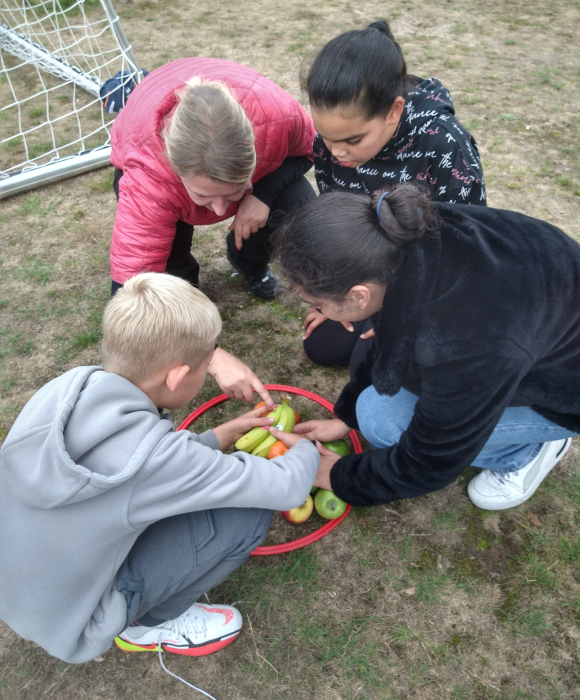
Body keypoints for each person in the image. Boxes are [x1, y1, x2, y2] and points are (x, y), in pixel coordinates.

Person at [0, 273, 319, 664]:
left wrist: (219, 435)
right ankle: (145, 626)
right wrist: (307, 452)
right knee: (247, 516)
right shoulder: (154, 458)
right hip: (77, 622)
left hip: (21, 588)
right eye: (206, 366)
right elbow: (285, 488)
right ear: (178, 377)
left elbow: (145, 472)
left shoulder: (66, 388)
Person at [270, 185, 579, 512]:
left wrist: (337, 476)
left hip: (565, 392)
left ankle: (523, 453)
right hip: (538, 332)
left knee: (382, 422)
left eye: (317, 304)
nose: (317, 312)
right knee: (368, 407)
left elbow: (428, 461)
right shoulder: (398, 232)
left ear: (359, 295)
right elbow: (390, 330)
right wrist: (345, 417)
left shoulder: (463, 342)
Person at [300, 21, 486, 366]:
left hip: (431, 284)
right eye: (325, 137)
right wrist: (334, 299)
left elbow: (466, 248)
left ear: (394, 111)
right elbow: (344, 229)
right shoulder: (330, 146)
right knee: (322, 346)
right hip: (372, 277)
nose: (336, 152)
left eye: (353, 140)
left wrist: (398, 310)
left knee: (379, 359)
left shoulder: (444, 144)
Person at [110, 57, 317, 301]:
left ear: (255, 156)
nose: (220, 210)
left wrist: (263, 194)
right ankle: (183, 286)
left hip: (255, 155)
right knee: (168, 265)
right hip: (153, 169)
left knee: (298, 205)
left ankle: (249, 259)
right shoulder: (150, 175)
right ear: (176, 171)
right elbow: (134, 272)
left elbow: (310, 150)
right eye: (202, 194)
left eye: (233, 192)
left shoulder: (278, 118)